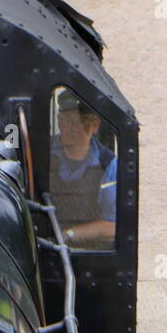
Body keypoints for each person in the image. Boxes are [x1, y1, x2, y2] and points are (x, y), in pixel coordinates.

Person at [49, 91, 117, 248]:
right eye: (67, 121)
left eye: (81, 122)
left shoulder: (108, 164)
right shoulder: (41, 154)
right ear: (59, 122)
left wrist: (68, 235)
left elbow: (111, 226)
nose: (73, 129)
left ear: (95, 125)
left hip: (90, 251)